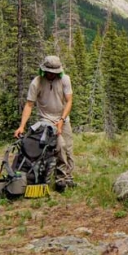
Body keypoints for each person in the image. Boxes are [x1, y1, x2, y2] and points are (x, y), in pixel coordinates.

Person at [14, 55, 76, 192]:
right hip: (46, 120)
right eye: (48, 71)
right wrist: (22, 126)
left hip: (63, 118)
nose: (51, 74)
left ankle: (68, 177)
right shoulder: (37, 82)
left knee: (68, 149)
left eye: (54, 72)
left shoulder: (65, 80)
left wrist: (61, 120)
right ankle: (60, 179)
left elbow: (69, 101)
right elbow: (29, 105)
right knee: (60, 146)